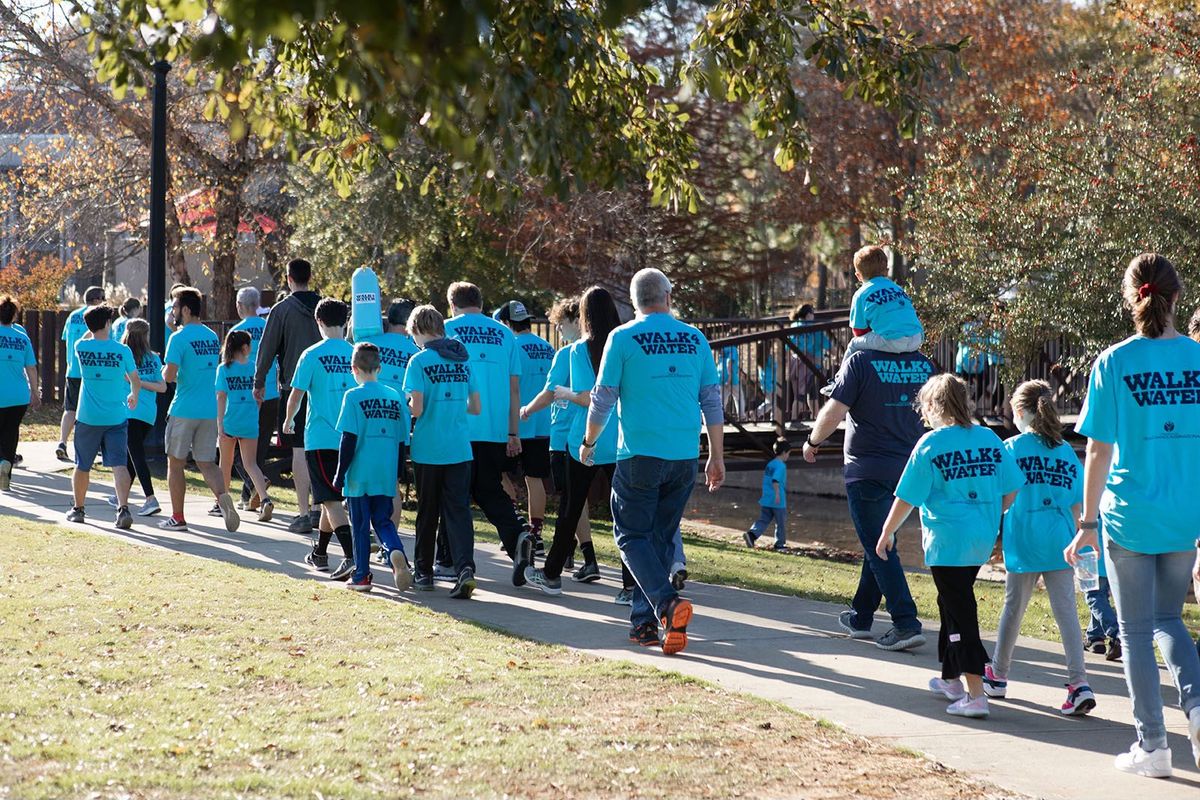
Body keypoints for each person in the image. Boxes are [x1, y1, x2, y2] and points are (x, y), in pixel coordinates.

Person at [1065, 253, 1200, 779]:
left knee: (1136, 631)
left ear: (1132, 296)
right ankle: (1196, 708)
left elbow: (1098, 450)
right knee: (1170, 620)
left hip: (1129, 517)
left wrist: (1087, 523)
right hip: (1184, 516)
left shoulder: (1114, 361)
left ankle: (1153, 746)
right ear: (1177, 296)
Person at [582, 268, 725, 655]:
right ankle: (646, 624)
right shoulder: (695, 338)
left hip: (640, 454)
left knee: (630, 535)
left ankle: (666, 604)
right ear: (667, 296)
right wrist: (716, 455)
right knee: (661, 536)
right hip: (684, 455)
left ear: (636, 300)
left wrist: (588, 441)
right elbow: (711, 400)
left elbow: (603, 397)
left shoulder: (622, 337)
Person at [874, 374, 1024, 720]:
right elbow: (1012, 488)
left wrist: (887, 531)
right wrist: (988, 512)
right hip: (980, 538)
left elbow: (906, 497)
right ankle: (951, 680)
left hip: (947, 541)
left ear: (931, 406)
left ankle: (975, 695)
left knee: (960, 612)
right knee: (950, 601)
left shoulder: (930, 444)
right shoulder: (989, 438)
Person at [803, 333, 932, 652]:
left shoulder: (859, 362)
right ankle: (861, 616)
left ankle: (905, 621)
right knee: (879, 538)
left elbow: (833, 411)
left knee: (881, 546)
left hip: (867, 469)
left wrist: (813, 442)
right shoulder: (924, 363)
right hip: (910, 470)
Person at [983, 380, 1095, 717]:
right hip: (1060, 539)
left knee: (1013, 609)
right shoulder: (1065, 451)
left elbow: (1004, 497)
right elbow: (1078, 506)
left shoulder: (1012, 447)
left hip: (1024, 536)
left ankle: (999, 674)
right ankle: (1079, 683)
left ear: (1018, 411)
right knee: (1067, 616)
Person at [523, 287, 623, 597]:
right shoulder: (623, 344)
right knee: (627, 513)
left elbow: (589, 397)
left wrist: (564, 394)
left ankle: (551, 575)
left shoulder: (580, 350)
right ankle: (632, 586)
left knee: (570, 509)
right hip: (620, 439)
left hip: (585, 440)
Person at [444, 282, 530, 586]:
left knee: (453, 494)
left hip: (458, 426)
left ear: (453, 304)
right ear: (481, 303)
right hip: (495, 430)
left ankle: (448, 558)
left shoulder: (446, 329)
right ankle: (516, 533)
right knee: (488, 490)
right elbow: (515, 388)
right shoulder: (506, 334)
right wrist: (513, 433)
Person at [404, 304, 481, 599]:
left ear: (418, 331)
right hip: (460, 446)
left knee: (428, 511)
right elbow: (475, 407)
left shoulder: (419, 362)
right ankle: (465, 569)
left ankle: (423, 571)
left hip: (428, 447)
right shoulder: (463, 359)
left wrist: (407, 402)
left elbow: (418, 408)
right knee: (458, 511)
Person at [520, 296, 599, 580]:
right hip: (586, 434)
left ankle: (586, 555)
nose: (559, 332)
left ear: (576, 321)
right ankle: (569, 553)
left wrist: (526, 410)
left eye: (561, 325)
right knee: (574, 500)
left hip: (566, 435)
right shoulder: (596, 351)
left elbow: (550, 391)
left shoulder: (568, 353)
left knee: (571, 501)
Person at [286, 298, 356, 579]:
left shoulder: (312, 354)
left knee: (329, 499)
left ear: (319, 323)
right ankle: (320, 553)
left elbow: (297, 393)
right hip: (351, 436)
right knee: (331, 498)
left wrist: (289, 419)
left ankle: (352, 556)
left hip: (320, 437)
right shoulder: (355, 353)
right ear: (346, 321)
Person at [334, 342, 412, 593]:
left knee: (359, 525)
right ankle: (396, 552)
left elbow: (348, 439)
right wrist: (398, 473)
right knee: (383, 521)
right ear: (380, 367)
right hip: (385, 472)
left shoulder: (353, 396)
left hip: (359, 473)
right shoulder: (395, 396)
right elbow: (402, 441)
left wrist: (339, 474)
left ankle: (361, 575)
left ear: (353, 369)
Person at [160, 288, 240, 533]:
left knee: (175, 464)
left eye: (174, 307)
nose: (173, 312)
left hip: (184, 408)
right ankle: (223, 499)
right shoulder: (211, 335)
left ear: (185, 309)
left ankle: (177, 517)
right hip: (209, 410)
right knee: (207, 462)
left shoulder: (177, 339)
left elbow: (170, 376)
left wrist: (162, 371)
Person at [255, 259, 321, 533]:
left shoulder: (282, 310)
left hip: (293, 388)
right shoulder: (325, 307)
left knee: (299, 450)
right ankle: (322, 508)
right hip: (329, 388)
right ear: (310, 276)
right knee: (323, 449)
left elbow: (267, 347)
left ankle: (304, 512)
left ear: (289, 278)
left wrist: (259, 381)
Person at [66, 305, 140, 529]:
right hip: (116, 416)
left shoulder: (81, 346)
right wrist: (134, 395)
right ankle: (123, 508)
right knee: (119, 464)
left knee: (82, 465)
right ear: (108, 324)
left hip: (88, 416)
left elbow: (90, 335)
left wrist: (93, 326)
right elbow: (135, 379)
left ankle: (78, 509)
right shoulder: (123, 351)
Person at [497, 299, 555, 551]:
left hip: (515, 423)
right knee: (535, 479)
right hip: (543, 424)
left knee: (498, 474)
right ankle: (536, 533)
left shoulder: (510, 346)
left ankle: (516, 523)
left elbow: (509, 387)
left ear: (508, 323)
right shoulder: (548, 347)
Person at [360, 299, 419, 530]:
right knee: (391, 484)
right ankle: (389, 538)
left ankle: (364, 535)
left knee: (361, 482)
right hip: (396, 427)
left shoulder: (369, 345)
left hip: (364, 423)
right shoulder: (415, 353)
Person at [216, 329, 275, 523]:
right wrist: (253, 413)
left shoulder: (224, 369)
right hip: (250, 420)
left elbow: (221, 397)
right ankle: (265, 500)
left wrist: (220, 425)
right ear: (245, 347)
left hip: (230, 419)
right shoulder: (255, 368)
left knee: (225, 464)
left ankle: (223, 503)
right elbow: (260, 396)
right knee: (251, 464)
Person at [231, 287, 278, 512]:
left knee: (241, 450)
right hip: (271, 393)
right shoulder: (270, 327)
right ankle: (249, 494)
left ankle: (254, 485)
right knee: (258, 450)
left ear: (240, 306)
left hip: (245, 396)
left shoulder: (237, 332)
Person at [110, 319, 164, 516]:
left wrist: (136, 382)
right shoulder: (154, 359)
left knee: (136, 455)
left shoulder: (122, 356)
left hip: (129, 410)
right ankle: (120, 494)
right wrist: (141, 383)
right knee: (133, 456)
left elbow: (163, 387)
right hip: (148, 413)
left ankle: (150, 498)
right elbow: (162, 386)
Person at [844, 245, 924, 360]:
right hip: (916, 337)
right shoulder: (898, 289)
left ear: (858, 276)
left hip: (892, 341)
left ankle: (838, 377)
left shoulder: (861, 294)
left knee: (854, 344)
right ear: (886, 271)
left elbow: (858, 331)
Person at [57, 285, 105, 463]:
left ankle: (62, 442)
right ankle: (93, 446)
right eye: (103, 297)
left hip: (73, 370)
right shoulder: (97, 317)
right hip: (93, 370)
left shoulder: (72, 316)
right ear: (96, 300)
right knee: (91, 409)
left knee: (70, 409)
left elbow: (65, 339)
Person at [0, 295, 38, 491]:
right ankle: (6, 465)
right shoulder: (22, 338)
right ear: (13, 316)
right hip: (18, 396)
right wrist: (35, 392)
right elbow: (31, 367)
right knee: (10, 431)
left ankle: (2, 462)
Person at [742, 438, 790, 551]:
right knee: (781, 522)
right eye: (788, 453)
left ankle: (752, 535)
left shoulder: (770, 464)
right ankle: (779, 544)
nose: (788, 456)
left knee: (764, 519)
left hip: (767, 498)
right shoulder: (781, 466)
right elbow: (775, 480)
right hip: (777, 500)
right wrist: (778, 495)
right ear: (784, 453)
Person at [787, 303, 830, 420]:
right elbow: (828, 345)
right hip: (811, 365)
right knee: (803, 395)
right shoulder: (814, 329)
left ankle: (816, 417)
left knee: (811, 394)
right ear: (808, 315)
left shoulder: (793, 327)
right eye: (812, 313)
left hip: (795, 363)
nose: (814, 316)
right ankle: (794, 420)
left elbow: (787, 348)